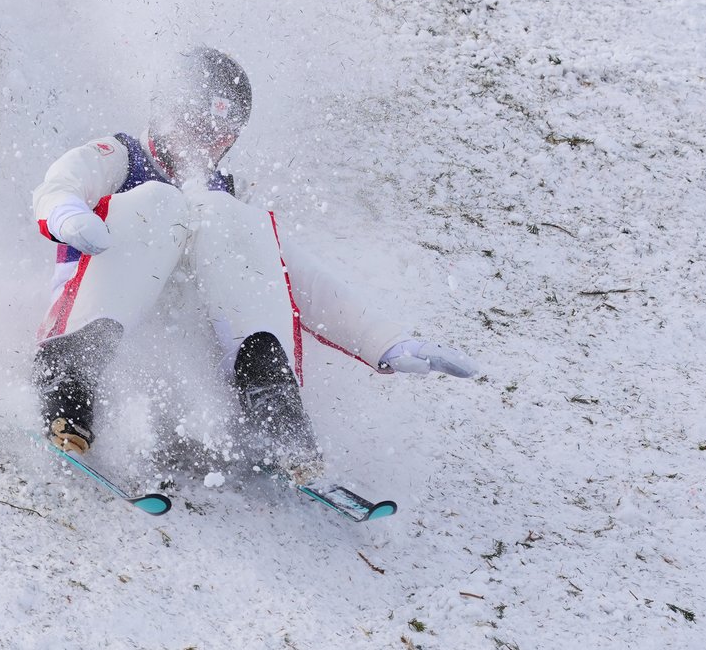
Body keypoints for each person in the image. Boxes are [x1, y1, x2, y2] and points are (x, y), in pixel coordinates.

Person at [29, 46, 477, 484]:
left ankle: (269, 396)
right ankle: (68, 384)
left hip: (182, 376)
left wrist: (389, 342)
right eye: (193, 124)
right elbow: (62, 182)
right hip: (100, 341)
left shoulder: (228, 202)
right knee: (161, 203)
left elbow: (303, 280)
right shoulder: (121, 157)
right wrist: (68, 212)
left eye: (218, 133)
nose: (203, 142)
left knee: (227, 217)